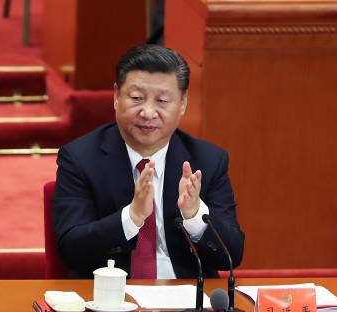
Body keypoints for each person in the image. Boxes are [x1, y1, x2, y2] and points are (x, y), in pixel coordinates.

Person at [53, 44, 244, 279]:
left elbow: (231, 256)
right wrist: (131, 217)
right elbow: (71, 250)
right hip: (112, 299)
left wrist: (195, 216)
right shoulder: (80, 158)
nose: (148, 112)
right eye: (136, 98)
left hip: (185, 301)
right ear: (116, 97)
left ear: (182, 103)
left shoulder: (207, 160)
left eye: (162, 101)